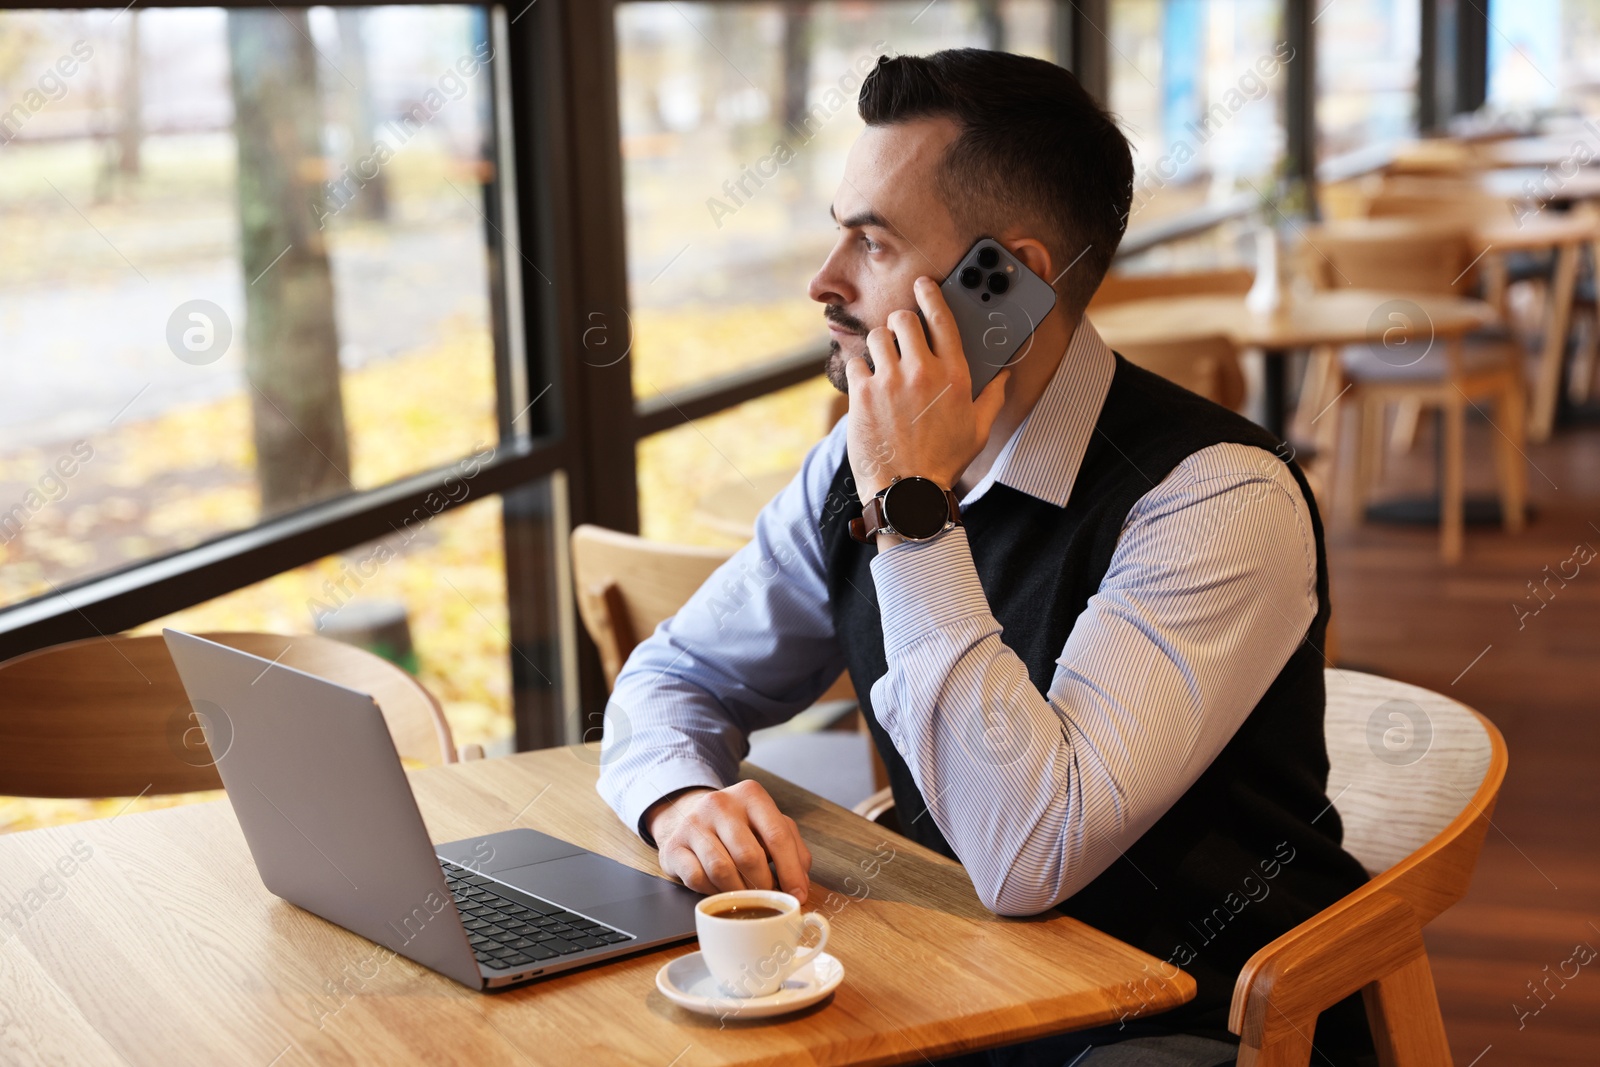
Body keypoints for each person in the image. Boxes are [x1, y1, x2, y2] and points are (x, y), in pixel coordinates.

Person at [596, 48, 1375, 1067]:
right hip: (962, 984)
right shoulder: (851, 466)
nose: (821, 283)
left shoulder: (1216, 495)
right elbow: (671, 676)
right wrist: (679, 796)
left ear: (1004, 283)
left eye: (870, 244)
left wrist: (913, 511)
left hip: (1189, 1020)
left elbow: (1026, 854)